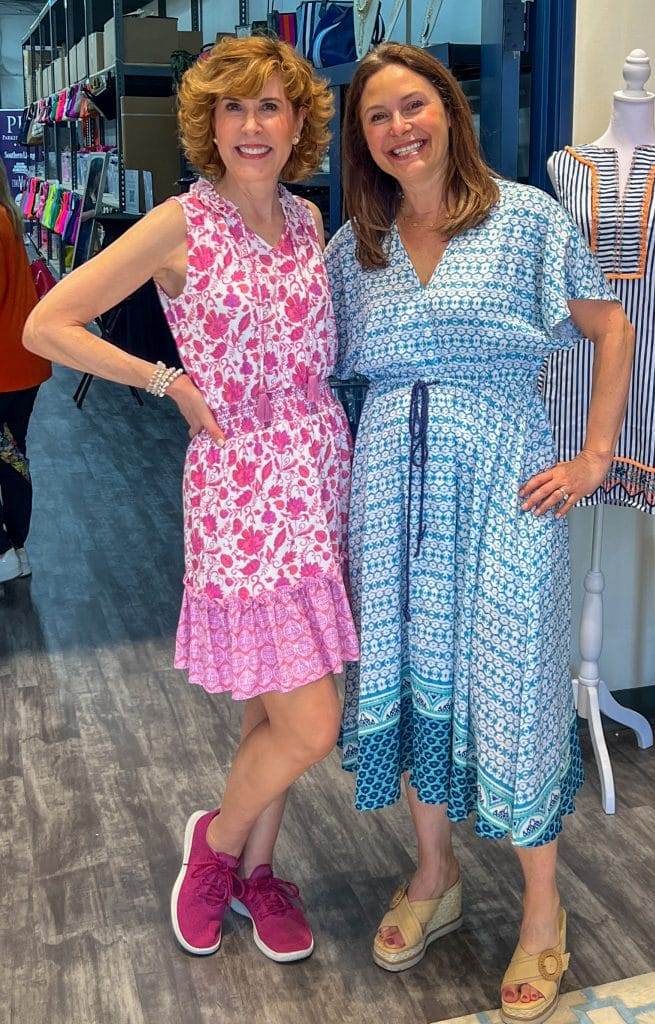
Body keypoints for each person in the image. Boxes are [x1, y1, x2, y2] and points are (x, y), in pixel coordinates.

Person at [24, 36, 359, 962]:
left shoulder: (305, 222)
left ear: (299, 122)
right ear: (209, 124)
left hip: (316, 473)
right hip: (240, 483)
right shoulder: (181, 223)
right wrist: (162, 378)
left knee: (271, 707)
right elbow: (47, 324)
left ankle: (255, 871)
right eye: (233, 108)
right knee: (311, 720)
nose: (253, 126)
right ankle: (211, 848)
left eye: (270, 107)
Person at [325, 44, 634, 1022]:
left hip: (505, 479)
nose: (399, 128)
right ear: (361, 138)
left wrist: (592, 456)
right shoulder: (353, 247)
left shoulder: (527, 219)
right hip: (388, 493)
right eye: (377, 116)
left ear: (449, 111)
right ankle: (434, 877)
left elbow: (612, 327)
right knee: (413, 674)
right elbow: (324, 379)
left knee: (511, 683)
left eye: (413, 105)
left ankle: (543, 910)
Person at [0, 162, 51, 583]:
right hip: (22, 366)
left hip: (4, 371)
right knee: (13, 456)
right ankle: (16, 547)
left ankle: (5, 551)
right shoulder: (7, 217)